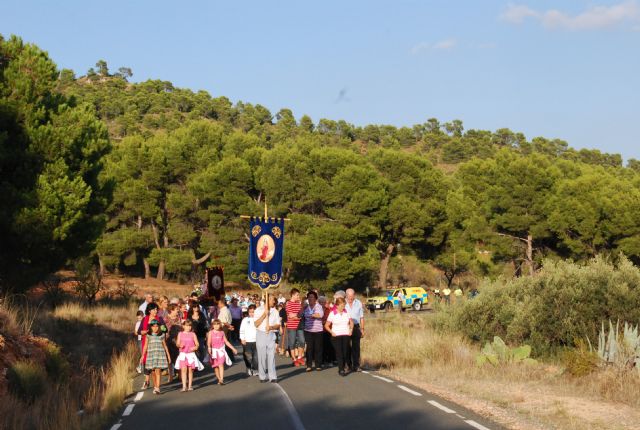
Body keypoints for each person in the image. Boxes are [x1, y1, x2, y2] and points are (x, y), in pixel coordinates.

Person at [139, 303, 166, 390]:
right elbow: (139, 331)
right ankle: (151, 382)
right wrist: (144, 332)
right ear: (149, 310)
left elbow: (165, 329)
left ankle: (157, 387)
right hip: (147, 343)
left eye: (156, 309)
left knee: (157, 367)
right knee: (149, 365)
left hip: (157, 344)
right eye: (154, 309)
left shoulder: (160, 319)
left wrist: (162, 328)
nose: (156, 311)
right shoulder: (144, 319)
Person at [254, 295, 281, 383]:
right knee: (261, 356)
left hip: (271, 334)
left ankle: (272, 376)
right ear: (268, 299)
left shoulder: (275, 311)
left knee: (271, 356)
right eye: (273, 300)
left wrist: (271, 327)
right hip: (261, 334)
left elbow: (278, 325)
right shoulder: (258, 310)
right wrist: (264, 315)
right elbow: (256, 324)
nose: (274, 301)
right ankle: (262, 376)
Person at [325, 297, 353, 376]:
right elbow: (326, 325)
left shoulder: (346, 312)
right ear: (337, 306)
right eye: (341, 305)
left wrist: (351, 329)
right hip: (336, 335)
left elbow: (351, 322)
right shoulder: (332, 313)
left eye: (344, 305)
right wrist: (331, 332)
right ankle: (341, 369)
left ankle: (344, 366)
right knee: (339, 353)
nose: (343, 307)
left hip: (346, 334)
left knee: (345, 352)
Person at [140, 319, 171, 394]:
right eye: (153, 327)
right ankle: (155, 386)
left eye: (157, 326)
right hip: (151, 355)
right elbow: (145, 346)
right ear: (151, 327)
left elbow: (165, 346)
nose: (155, 328)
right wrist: (142, 356)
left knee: (158, 371)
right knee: (153, 372)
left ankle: (157, 388)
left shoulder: (161, 335)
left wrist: (168, 356)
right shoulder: (148, 335)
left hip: (160, 355)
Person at [175, 320, 204, 392]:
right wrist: (179, 345)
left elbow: (197, 344)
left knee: (190, 371)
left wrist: (195, 347)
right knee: (183, 370)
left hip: (191, 354)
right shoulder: (180, 334)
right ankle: (184, 386)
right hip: (183, 354)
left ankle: (190, 386)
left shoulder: (193, 334)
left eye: (190, 326)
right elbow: (177, 343)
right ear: (183, 326)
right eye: (187, 326)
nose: (188, 327)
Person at [208, 319, 237, 385]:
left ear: (220, 325)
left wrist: (233, 348)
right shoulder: (211, 332)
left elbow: (226, 342)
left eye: (217, 324)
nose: (216, 326)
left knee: (221, 364)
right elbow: (209, 342)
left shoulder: (222, 332)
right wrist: (209, 348)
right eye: (214, 324)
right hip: (214, 351)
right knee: (216, 367)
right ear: (212, 325)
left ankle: (221, 379)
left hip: (221, 351)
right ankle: (219, 378)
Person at [303, 291, 324, 371]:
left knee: (318, 347)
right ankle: (309, 365)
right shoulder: (306, 307)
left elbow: (320, 315)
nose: (311, 298)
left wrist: (313, 315)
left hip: (318, 330)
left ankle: (318, 365)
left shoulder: (318, 306)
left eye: (312, 297)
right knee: (309, 348)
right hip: (308, 330)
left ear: (315, 299)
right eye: (309, 297)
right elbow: (302, 315)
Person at [345, 288, 365, 372]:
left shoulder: (358, 303)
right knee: (346, 347)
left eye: (352, 296)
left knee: (356, 347)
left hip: (356, 327)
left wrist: (362, 329)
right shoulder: (342, 303)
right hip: (345, 327)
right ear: (346, 295)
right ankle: (348, 365)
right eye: (349, 296)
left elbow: (361, 317)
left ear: (354, 295)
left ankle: (356, 365)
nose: (350, 298)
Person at [285, 288, 305, 367]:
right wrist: (297, 316)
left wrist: (296, 315)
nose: (298, 296)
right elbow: (290, 316)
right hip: (292, 326)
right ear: (293, 295)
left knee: (302, 341)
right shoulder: (288, 303)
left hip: (299, 325)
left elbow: (300, 314)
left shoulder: (298, 304)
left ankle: (299, 357)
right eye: (297, 295)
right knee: (292, 342)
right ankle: (294, 359)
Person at [165, 303, 182, 382]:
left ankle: (180, 374)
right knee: (169, 359)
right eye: (176, 309)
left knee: (178, 358)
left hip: (178, 340)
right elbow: (163, 329)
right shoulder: (165, 319)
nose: (178, 311)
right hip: (168, 341)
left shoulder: (179, 318)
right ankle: (171, 375)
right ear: (171, 310)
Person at [240, 304, 258, 376]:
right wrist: (242, 339)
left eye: (253, 312)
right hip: (247, 341)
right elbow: (242, 330)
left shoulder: (258, 319)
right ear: (248, 312)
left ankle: (254, 369)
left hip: (256, 341)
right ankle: (248, 367)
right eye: (250, 312)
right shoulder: (245, 320)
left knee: (256, 357)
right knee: (248, 357)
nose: (252, 313)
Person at [319, 296, 335, 365]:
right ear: (318, 303)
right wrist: (323, 321)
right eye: (321, 302)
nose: (323, 303)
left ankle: (329, 360)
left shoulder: (328, 310)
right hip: (319, 330)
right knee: (320, 346)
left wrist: (324, 322)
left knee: (328, 345)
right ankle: (322, 360)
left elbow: (330, 320)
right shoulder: (316, 310)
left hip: (327, 330)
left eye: (324, 302)